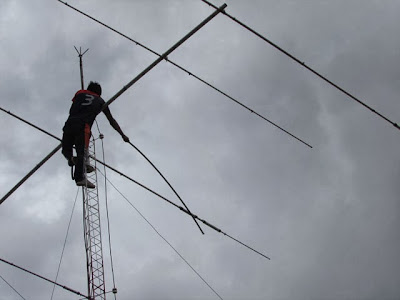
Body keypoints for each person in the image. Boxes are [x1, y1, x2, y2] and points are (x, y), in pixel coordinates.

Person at [62, 81, 129, 188]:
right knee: (81, 153)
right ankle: (80, 178)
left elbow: (72, 108)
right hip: (83, 127)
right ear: (99, 93)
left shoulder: (79, 93)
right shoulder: (100, 101)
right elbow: (111, 121)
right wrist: (122, 135)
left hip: (69, 123)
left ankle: (70, 158)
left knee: (66, 148)